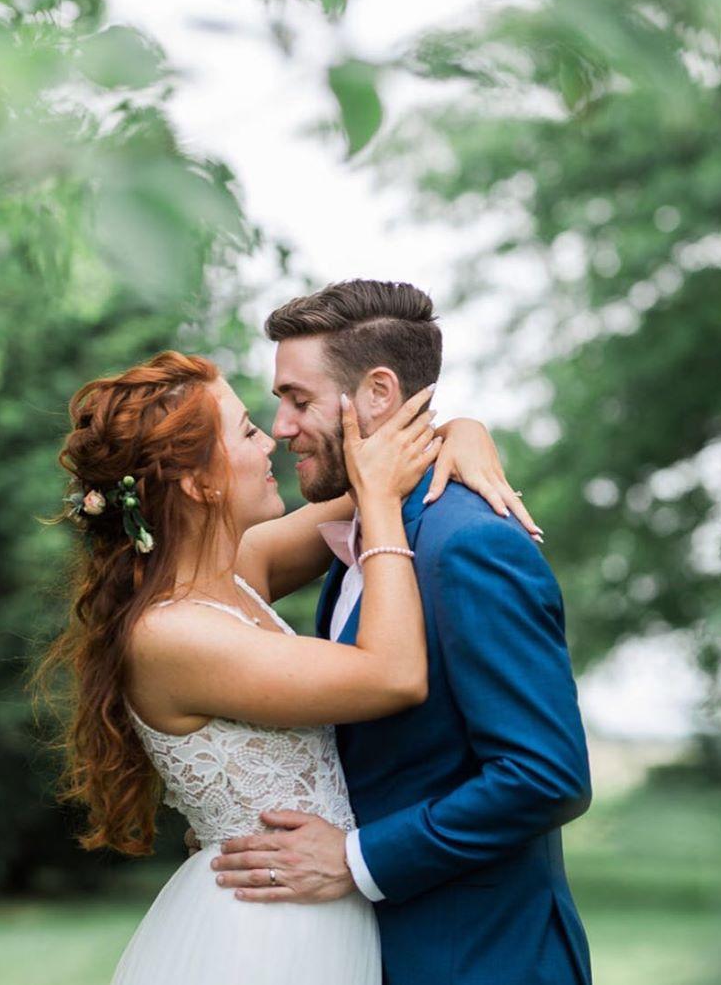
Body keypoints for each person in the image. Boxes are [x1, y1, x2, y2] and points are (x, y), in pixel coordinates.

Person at [36, 348, 531, 985]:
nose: (272, 438)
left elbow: (385, 470)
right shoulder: (171, 634)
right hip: (264, 935)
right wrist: (380, 505)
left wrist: (465, 431)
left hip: (312, 914)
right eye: (245, 430)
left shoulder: (234, 574)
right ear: (199, 481)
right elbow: (393, 674)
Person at [211, 280, 593, 985]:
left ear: (378, 393)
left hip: (480, 959)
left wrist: (358, 860)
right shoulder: (366, 528)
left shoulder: (470, 544)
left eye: (298, 399)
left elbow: (546, 776)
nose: (283, 427)